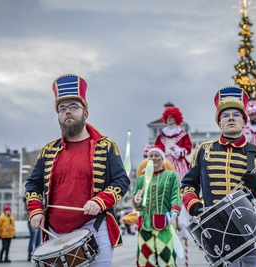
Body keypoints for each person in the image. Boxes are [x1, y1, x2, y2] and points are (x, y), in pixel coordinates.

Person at [25, 74, 130, 266]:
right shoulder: (47, 151)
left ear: (85, 113)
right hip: (54, 233)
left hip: (95, 228)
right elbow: (33, 184)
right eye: (62, 109)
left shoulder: (106, 146)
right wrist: (35, 210)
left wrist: (100, 201)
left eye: (74, 106)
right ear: (58, 115)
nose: (68, 112)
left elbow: (121, 181)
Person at [180, 86, 256, 267]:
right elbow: (188, 185)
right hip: (218, 237)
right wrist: (194, 206)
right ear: (219, 123)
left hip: (254, 236)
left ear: (244, 122)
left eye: (236, 115)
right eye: (224, 115)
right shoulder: (203, 151)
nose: (230, 118)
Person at [132, 145, 181, 267]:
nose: (153, 158)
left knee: (167, 259)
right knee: (145, 260)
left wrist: (174, 214)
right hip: (144, 224)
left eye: (156, 156)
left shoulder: (171, 176)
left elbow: (176, 196)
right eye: (151, 156)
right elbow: (135, 202)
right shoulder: (140, 179)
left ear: (162, 158)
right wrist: (137, 199)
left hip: (164, 223)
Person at [154, 106, 192, 239]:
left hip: (179, 164)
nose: (170, 120)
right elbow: (157, 149)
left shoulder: (182, 134)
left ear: (176, 118)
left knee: (181, 193)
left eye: (172, 117)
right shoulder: (162, 135)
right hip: (166, 163)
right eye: (168, 117)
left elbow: (188, 149)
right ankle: (165, 224)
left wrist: (178, 150)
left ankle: (183, 224)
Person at [24, 197, 41, 261]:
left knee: (38, 239)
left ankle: (36, 255)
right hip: (32, 220)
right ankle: (30, 255)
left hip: (39, 221)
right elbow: (29, 210)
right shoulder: (28, 198)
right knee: (33, 239)